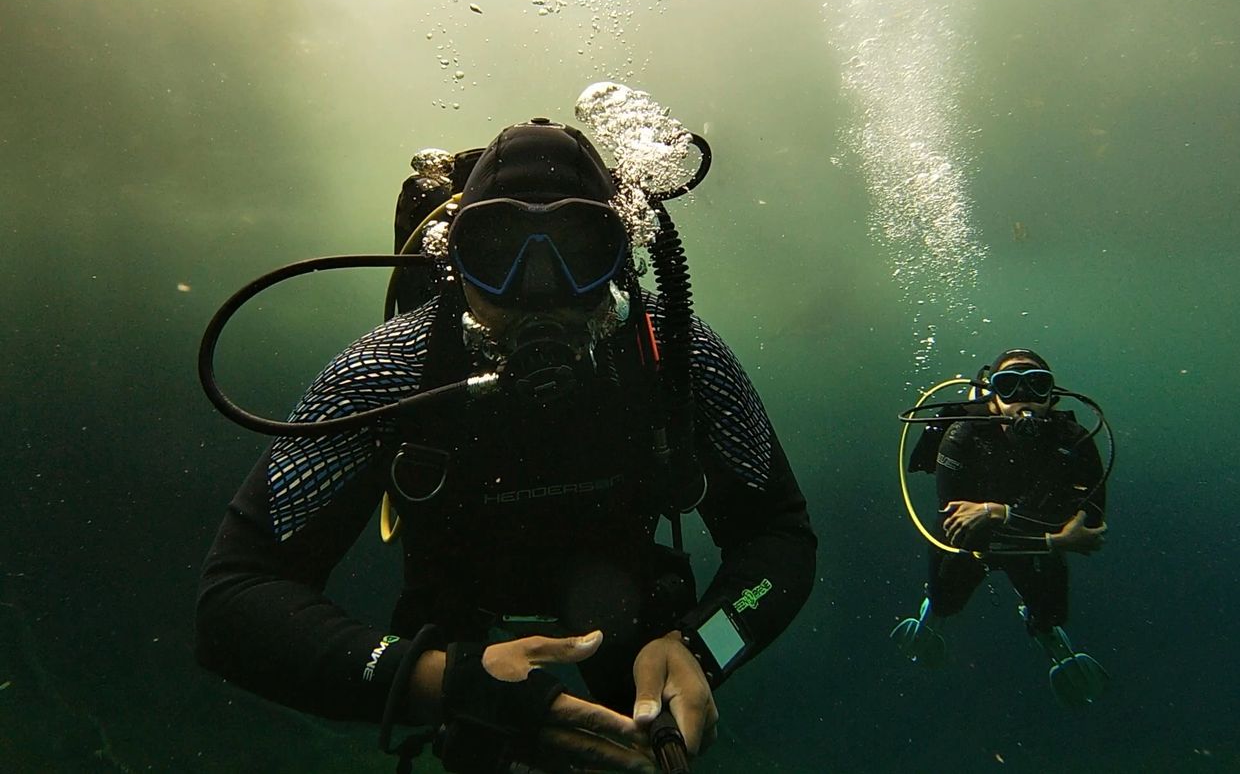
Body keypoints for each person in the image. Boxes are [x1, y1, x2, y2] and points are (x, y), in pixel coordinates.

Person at [195, 119, 817, 773]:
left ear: (621, 253)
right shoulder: (390, 371)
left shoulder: (675, 357)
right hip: (460, 627)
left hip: (628, 620)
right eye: (499, 254)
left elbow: (777, 536)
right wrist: (441, 681)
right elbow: (234, 601)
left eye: (579, 251)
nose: (539, 289)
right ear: (454, 260)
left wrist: (702, 645)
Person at [890, 348, 1109, 706]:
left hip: (1028, 539)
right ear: (992, 394)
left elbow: (1092, 525)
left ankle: (1044, 629)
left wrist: (998, 512)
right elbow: (957, 522)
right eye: (1009, 386)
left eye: (1037, 386)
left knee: (1052, 613)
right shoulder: (962, 434)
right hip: (980, 543)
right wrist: (1054, 538)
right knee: (947, 597)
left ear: (1052, 397)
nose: (1024, 399)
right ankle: (933, 615)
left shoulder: (1073, 440)